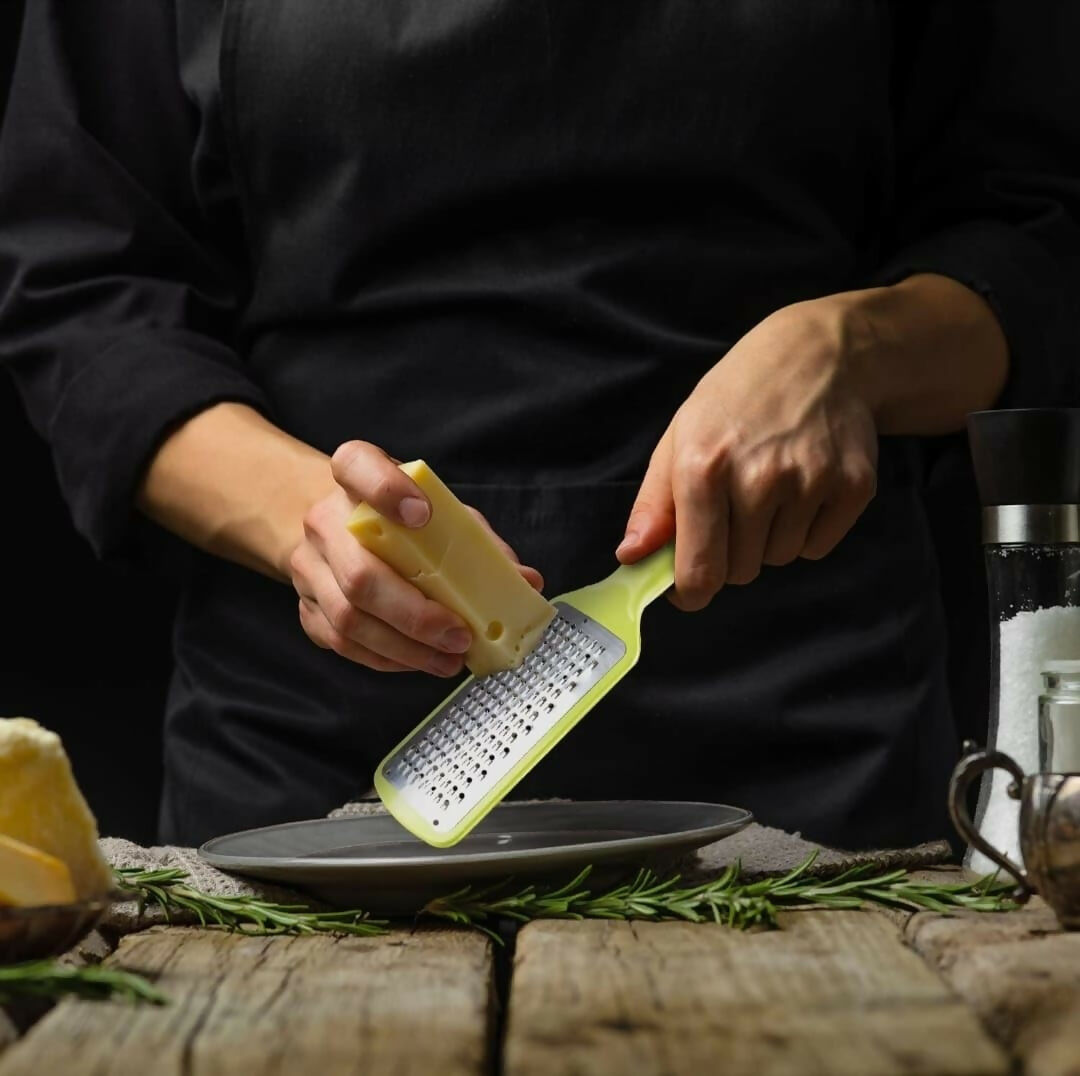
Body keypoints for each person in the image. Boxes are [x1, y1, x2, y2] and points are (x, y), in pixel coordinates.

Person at [1, 1, 1077, 849]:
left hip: (809, 768)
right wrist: (306, 520)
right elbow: (90, 284)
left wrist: (854, 349)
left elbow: (1041, 226)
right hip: (308, 778)